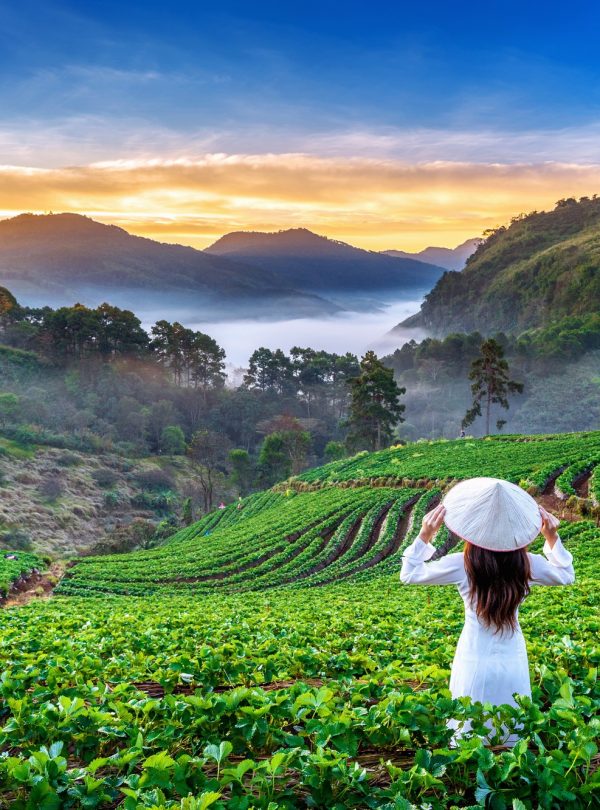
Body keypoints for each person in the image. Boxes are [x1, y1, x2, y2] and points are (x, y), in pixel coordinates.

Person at [400, 477, 574, 746]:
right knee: (510, 735)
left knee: (468, 736)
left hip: (473, 657)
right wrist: (551, 537)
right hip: (512, 657)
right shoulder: (527, 564)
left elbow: (410, 573)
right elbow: (566, 575)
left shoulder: (463, 564)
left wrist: (425, 534)